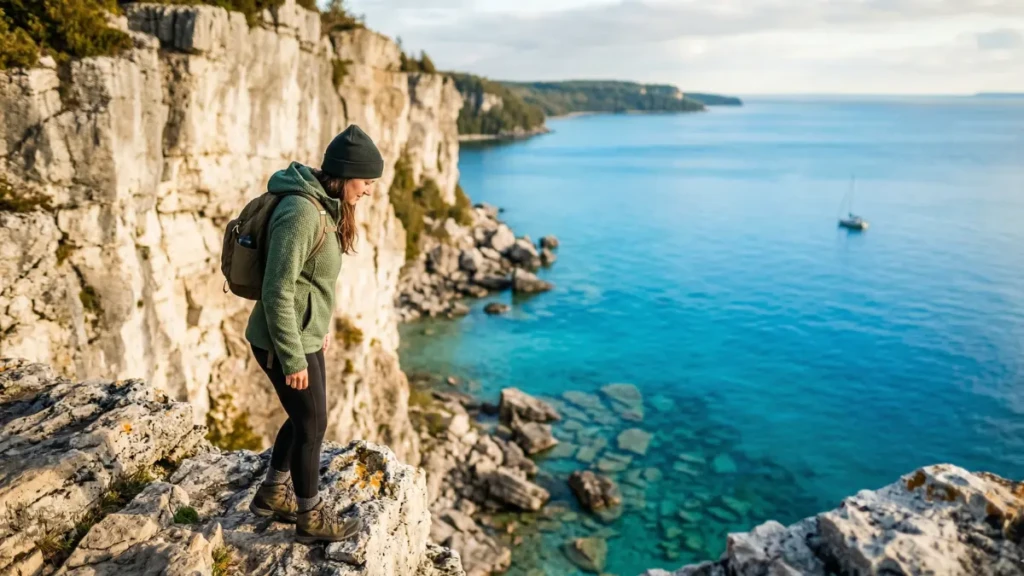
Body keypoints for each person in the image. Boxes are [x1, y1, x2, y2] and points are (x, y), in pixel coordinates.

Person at [245, 125, 383, 543]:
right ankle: (311, 518)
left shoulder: (325, 207)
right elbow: (277, 289)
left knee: (306, 419)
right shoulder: (302, 213)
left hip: (303, 335)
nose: (369, 192)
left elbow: (313, 283)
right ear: (342, 175)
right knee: (312, 427)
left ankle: (271, 494)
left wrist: (318, 328)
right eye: (365, 182)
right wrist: (292, 358)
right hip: (280, 341)